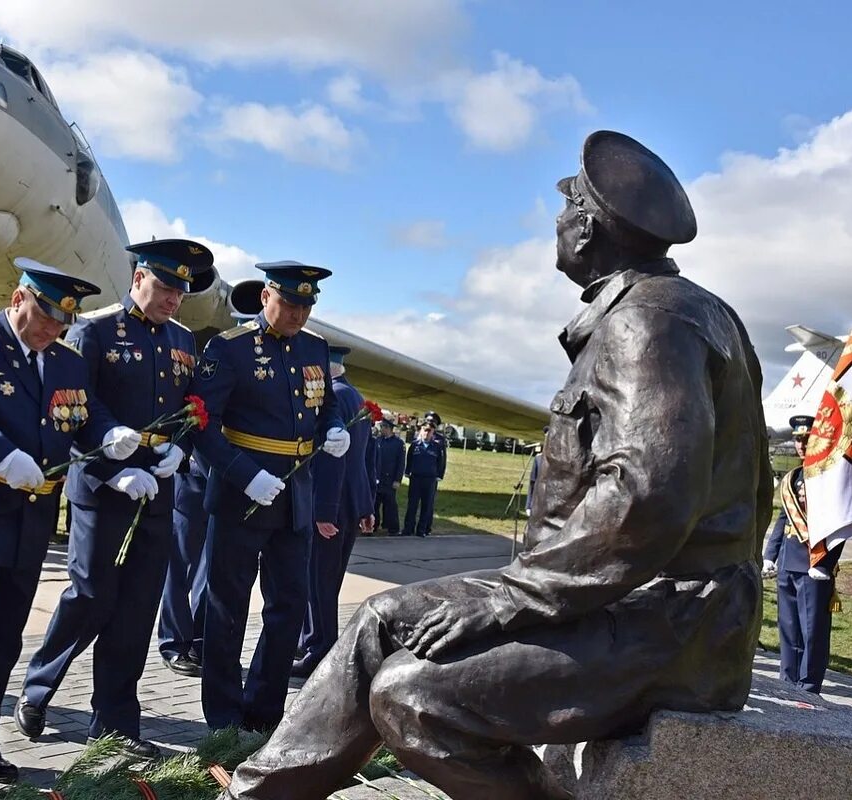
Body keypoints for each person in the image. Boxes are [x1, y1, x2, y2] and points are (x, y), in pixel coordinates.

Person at [219, 130, 772, 800]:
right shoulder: (661, 308)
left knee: (415, 697)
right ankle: (253, 794)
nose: (558, 226)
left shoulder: (648, 321)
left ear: (589, 229)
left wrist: (511, 601)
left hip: (675, 620)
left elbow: (644, 498)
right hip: (616, 593)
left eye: (566, 214)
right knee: (380, 619)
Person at [0, 260, 138, 800]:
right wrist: (1, 457)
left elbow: (84, 420)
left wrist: (117, 450)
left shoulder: (65, 361)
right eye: (44, 316)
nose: (52, 329)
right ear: (19, 299)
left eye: (62, 321)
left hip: (26, 523)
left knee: (1, 641)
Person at [14, 239, 211, 758]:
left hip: (157, 487)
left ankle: (117, 721)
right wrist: (111, 470)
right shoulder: (95, 330)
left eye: (181, 291)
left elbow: (191, 408)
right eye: (166, 286)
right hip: (104, 489)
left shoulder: (184, 341)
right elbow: (74, 408)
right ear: (139, 276)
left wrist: (180, 450)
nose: (173, 299)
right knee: (91, 596)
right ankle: (38, 687)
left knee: (138, 608)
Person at [190, 261, 347, 733]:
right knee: (227, 605)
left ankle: (263, 711)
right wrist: (243, 473)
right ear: (265, 298)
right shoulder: (230, 348)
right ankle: (222, 713)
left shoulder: (316, 348)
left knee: (289, 604)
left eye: (306, 305)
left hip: (294, 495)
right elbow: (201, 422)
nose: (298, 314)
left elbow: (327, 404)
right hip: (244, 493)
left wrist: (335, 427)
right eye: (290, 303)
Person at [293, 346, 375, 678]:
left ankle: (318, 649)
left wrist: (323, 511)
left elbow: (333, 459)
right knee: (328, 581)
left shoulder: (335, 399)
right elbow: (366, 459)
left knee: (318, 583)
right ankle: (312, 641)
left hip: (331, 505)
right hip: (350, 504)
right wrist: (366, 505)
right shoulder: (355, 397)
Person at [763, 414, 845, 694]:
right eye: (797, 439)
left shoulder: (828, 478)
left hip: (813, 566)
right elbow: (783, 520)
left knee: (812, 632)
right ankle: (788, 681)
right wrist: (769, 555)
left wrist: (826, 563)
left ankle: (808, 685)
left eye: (806, 438)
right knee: (788, 629)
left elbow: (840, 523)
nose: (800, 444)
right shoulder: (792, 477)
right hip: (788, 563)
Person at [157, 452, 210, 677]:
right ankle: (174, 644)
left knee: (210, 572)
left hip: (226, 484)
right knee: (179, 570)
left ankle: (200, 642)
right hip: (193, 479)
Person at [401, 422, 444, 537]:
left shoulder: (436, 447)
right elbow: (409, 459)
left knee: (427, 505)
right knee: (412, 505)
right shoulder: (415, 445)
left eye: (429, 431)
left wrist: (439, 475)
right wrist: (407, 471)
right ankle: (408, 528)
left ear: (433, 432)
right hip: (415, 478)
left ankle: (422, 530)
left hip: (429, 480)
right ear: (421, 431)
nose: (426, 432)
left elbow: (440, 462)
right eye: (424, 430)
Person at [373, 419, 405, 535]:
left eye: (383, 427)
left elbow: (400, 463)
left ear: (389, 428)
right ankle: (373, 525)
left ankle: (393, 528)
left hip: (390, 479)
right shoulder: (378, 441)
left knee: (390, 505)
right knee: (374, 504)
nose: (381, 429)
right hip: (378, 478)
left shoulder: (398, 444)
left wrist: (398, 479)